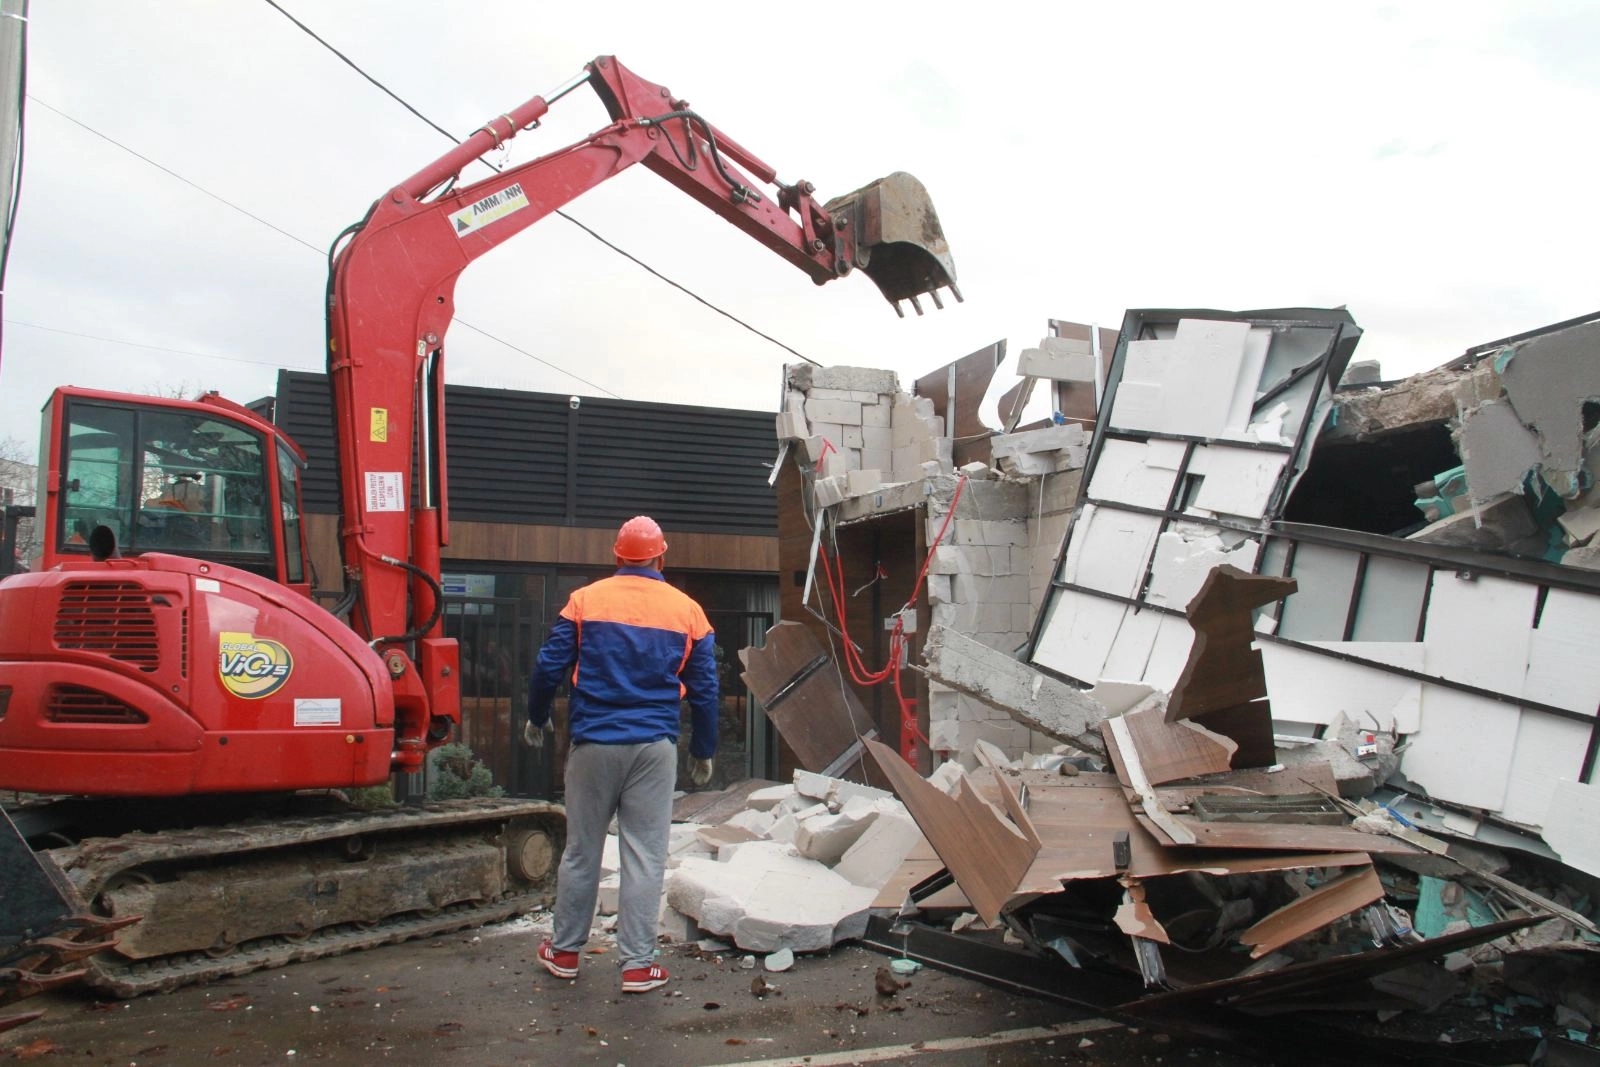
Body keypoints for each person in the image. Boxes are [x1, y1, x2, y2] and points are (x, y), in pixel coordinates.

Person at [525, 516, 718, 994]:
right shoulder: (688, 611)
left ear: (617, 556)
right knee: (644, 855)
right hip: (654, 749)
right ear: (661, 557)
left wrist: (536, 715)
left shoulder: (585, 601)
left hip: (593, 744)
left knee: (581, 851)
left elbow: (548, 665)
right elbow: (706, 689)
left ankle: (565, 953)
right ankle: (637, 965)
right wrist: (703, 748)